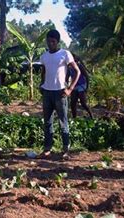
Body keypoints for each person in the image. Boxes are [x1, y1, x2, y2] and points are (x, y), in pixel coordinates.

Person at [39, 29, 80, 160]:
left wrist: (70, 89)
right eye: (49, 41)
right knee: (47, 122)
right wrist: (42, 84)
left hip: (60, 92)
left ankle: (66, 150)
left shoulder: (65, 54)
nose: (50, 43)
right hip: (47, 92)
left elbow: (77, 72)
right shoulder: (44, 56)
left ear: (57, 41)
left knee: (63, 122)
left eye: (53, 41)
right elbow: (44, 70)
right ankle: (47, 149)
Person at [69, 54, 93, 119]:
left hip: (81, 85)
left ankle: (91, 116)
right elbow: (67, 77)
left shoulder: (79, 66)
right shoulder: (69, 67)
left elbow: (87, 77)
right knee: (72, 104)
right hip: (74, 86)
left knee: (83, 103)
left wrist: (87, 87)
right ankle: (74, 118)